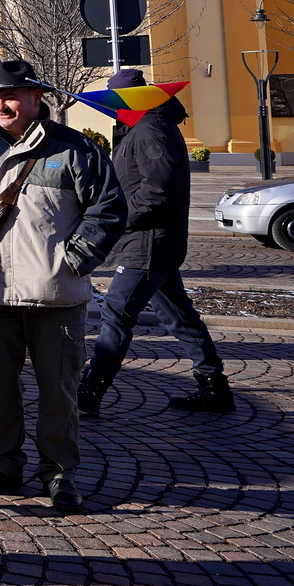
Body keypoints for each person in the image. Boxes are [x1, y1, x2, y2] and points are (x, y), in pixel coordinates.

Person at [0, 59, 125, 515]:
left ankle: (59, 473)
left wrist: (74, 260)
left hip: (56, 297)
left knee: (58, 391)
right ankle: (1, 465)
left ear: (35, 98)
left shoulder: (74, 148)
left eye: (11, 96)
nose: (1, 104)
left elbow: (109, 208)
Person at [80, 70, 232, 415]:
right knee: (178, 315)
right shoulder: (147, 126)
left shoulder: (151, 128)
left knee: (116, 314)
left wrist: (118, 219)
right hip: (153, 243)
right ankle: (215, 388)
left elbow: (156, 190)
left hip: (148, 244)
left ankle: (90, 390)